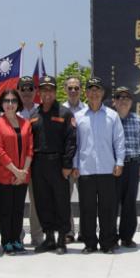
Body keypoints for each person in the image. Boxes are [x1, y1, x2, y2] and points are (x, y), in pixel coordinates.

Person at [74, 77, 125, 253]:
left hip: (107, 169)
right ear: (86, 93)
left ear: (103, 93)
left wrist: (119, 162)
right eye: (91, 90)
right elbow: (76, 144)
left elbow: (119, 141)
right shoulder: (79, 116)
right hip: (85, 170)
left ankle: (108, 243)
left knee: (108, 209)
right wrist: (75, 165)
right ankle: (89, 243)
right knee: (87, 209)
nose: (94, 93)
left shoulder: (112, 116)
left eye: (98, 90)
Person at [29, 76, 76, 253]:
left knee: (61, 202)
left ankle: (62, 240)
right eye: (43, 89)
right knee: (43, 202)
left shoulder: (65, 113)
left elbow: (71, 141)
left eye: (50, 89)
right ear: (39, 92)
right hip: (39, 164)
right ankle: (49, 238)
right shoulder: (34, 115)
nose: (47, 93)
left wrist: (67, 165)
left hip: (58, 164)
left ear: (56, 92)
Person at [0, 89, 33, 253]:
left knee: (18, 209)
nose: (10, 104)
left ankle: (17, 239)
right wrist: (16, 171)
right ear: (1, 104)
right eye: (7, 101)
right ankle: (7, 240)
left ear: (18, 104)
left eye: (13, 101)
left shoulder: (25, 123)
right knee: (6, 209)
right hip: (5, 174)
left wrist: (23, 172)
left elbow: (30, 149)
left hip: (23, 175)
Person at [113, 87, 140, 249]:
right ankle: (111, 236)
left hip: (133, 165)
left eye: (127, 98)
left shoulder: (138, 120)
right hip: (114, 167)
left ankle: (127, 237)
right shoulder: (110, 119)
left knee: (129, 203)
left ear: (131, 102)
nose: (123, 101)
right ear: (114, 101)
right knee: (112, 202)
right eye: (120, 98)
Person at [16, 76, 45, 249]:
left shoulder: (41, 111)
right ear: (18, 90)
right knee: (17, 203)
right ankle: (17, 236)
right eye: (23, 88)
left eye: (30, 88)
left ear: (35, 91)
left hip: (37, 164)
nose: (26, 92)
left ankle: (37, 237)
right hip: (17, 165)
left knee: (37, 202)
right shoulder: (11, 110)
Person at [61, 74, 85, 242]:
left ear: (81, 90)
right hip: (66, 163)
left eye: (76, 88)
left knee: (86, 199)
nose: (73, 91)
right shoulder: (61, 110)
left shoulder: (87, 110)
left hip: (84, 163)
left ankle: (85, 231)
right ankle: (68, 232)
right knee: (64, 200)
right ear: (65, 90)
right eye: (70, 88)